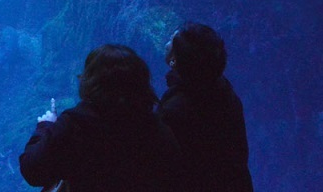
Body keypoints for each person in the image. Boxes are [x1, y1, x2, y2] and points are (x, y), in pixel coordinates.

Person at [19, 44, 181, 192]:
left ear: (90, 81)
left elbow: (33, 171)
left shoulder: (75, 124)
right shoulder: (155, 127)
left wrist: (46, 127)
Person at [159, 23, 254, 192]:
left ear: (175, 59)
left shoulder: (175, 111)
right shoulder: (227, 96)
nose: (166, 43)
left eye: (172, 40)